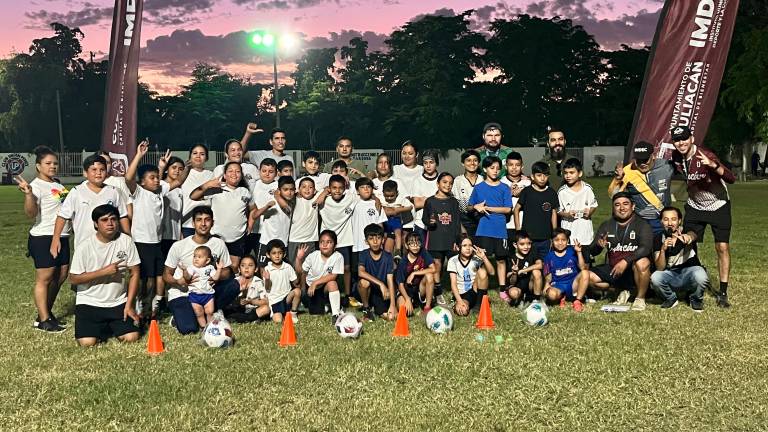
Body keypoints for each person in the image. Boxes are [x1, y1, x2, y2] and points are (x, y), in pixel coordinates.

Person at [670, 125, 736, 308]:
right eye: (677, 140)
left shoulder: (705, 155)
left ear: (691, 138)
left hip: (718, 204)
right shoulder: (676, 157)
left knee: (722, 247)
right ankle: (694, 278)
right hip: (695, 206)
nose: (680, 143)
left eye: (684, 138)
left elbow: (731, 178)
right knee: (687, 241)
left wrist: (713, 165)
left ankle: (722, 292)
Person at [125, 142, 186, 319]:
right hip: (141, 242)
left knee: (158, 275)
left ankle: (156, 303)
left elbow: (178, 181)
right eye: (152, 178)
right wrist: (139, 155)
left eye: (157, 177)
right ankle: (138, 303)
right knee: (143, 277)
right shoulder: (138, 193)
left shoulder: (160, 190)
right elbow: (129, 178)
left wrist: (175, 167)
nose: (156, 180)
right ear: (142, 182)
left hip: (157, 242)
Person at [68, 205, 141, 347]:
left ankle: (110, 325)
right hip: (89, 301)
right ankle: (101, 327)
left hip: (117, 301)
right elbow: (74, 278)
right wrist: (103, 272)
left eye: (114, 219)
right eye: (104, 220)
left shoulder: (126, 241)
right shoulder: (85, 246)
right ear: (96, 224)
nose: (110, 223)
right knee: (87, 343)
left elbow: (135, 273)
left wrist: (129, 304)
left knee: (132, 337)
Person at [15, 146, 70, 332]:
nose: (53, 166)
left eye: (55, 163)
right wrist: (29, 194)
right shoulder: (36, 186)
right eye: (48, 163)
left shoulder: (58, 185)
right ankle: (44, 320)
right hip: (44, 236)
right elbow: (30, 214)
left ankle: (44, 313)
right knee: (45, 278)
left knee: (62, 275)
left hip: (62, 235)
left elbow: (67, 209)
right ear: (38, 166)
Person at [162, 206, 239, 335]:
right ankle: (179, 317)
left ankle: (213, 310)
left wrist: (217, 276)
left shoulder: (219, 243)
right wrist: (179, 281)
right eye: (199, 220)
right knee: (189, 329)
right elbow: (166, 275)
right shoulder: (179, 246)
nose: (203, 224)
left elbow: (227, 271)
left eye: (207, 220)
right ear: (193, 223)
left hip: (208, 292)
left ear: (212, 223)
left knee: (235, 284)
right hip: (184, 294)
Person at [51, 154, 130, 255]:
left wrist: (128, 237)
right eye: (94, 169)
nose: (98, 173)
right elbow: (62, 216)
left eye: (102, 169)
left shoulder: (113, 192)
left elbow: (123, 216)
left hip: (109, 246)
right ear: (85, 173)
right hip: (84, 246)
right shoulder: (76, 192)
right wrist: (56, 238)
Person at [588, 192, 653, 311]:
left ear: (633, 206)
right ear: (613, 208)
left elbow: (646, 248)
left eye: (625, 204)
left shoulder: (642, 224)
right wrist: (598, 246)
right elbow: (593, 251)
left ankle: (640, 298)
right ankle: (620, 290)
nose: (622, 208)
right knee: (587, 277)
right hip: (614, 269)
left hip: (633, 269)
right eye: (617, 205)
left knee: (643, 262)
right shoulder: (607, 225)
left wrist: (625, 261)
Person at [189, 161, 256, 271]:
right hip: (217, 236)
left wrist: (250, 225)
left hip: (237, 237)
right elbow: (193, 196)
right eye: (230, 171)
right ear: (224, 175)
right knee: (215, 268)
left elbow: (253, 209)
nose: (234, 174)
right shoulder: (216, 189)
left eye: (238, 171)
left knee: (234, 267)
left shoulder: (245, 192)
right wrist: (207, 185)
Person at [609, 141, 674, 234]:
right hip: (639, 222)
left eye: (646, 160)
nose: (642, 164)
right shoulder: (627, 171)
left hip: (663, 219)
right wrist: (617, 180)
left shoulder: (667, 166)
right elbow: (613, 196)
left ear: (653, 156)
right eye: (639, 160)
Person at [651, 206, 708, 311]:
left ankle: (695, 299)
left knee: (701, 275)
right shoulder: (658, 238)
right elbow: (660, 268)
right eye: (666, 219)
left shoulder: (685, 231)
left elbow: (693, 235)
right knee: (655, 277)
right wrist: (663, 250)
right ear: (661, 222)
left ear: (679, 221)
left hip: (689, 272)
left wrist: (688, 237)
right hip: (671, 274)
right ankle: (670, 299)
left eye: (673, 219)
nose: (670, 223)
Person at [469, 156, 512, 288]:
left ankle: (503, 288)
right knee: (481, 259)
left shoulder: (505, 188)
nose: (495, 171)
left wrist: (487, 208)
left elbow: (507, 209)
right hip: (484, 229)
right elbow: (470, 207)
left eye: (498, 169)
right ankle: (478, 286)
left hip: (500, 229)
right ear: (485, 169)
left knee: (501, 260)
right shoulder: (479, 188)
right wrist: (476, 207)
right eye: (492, 168)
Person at [318, 174, 359, 307]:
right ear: (329, 188)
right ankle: (324, 296)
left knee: (346, 268)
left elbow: (366, 192)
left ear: (345, 188)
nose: (337, 190)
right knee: (326, 270)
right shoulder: (324, 199)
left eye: (340, 188)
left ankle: (348, 296)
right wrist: (324, 192)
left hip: (344, 239)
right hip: (327, 241)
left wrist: (375, 198)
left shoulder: (351, 198)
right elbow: (316, 201)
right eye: (333, 188)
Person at [422, 172, 462, 306]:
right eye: (444, 182)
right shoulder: (430, 201)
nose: (448, 185)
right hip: (435, 238)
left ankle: (455, 292)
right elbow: (425, 218)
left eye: (450, 183)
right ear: (438, 183)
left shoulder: (453, 202)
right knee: (437, 265)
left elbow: (457, 222)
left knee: (453, 266)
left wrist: (458, 240)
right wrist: (430, 223)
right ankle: (438, 292)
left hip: (450, 239)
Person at [295, 231, 345, 322]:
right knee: (316, 313)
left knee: (332, 283)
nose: (325, 245)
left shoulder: (338, 257)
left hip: (324, 286)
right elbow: (300, 271)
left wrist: (316, 282)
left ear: (335, 245)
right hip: (310, 288)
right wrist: (298, 259)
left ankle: (336, 314)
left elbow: (333, 276)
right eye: (322, 242)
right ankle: (327, 304)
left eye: (329, 242)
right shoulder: (313, 255)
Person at [514, 161, 558, 259]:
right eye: (539, 175)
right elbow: (516, 209)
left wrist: (554, 232)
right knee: (529, 264)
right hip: (528, 238)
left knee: (545, 264)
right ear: (532, 177)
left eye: (545, 175)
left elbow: (553, 213)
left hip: (546, 237)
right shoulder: (527, 191)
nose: (542, 178)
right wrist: (518, 230)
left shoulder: (551, 193)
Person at [177, 245, 225, 328]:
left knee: (210, 311)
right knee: (199, 313)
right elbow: (187, 277)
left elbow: (215, 278)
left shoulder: (210, 268)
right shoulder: (192, 268)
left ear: (207, 260)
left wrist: (219, 269)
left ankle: (210, 327)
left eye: (199, 257)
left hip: (208, 295)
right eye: (194, 256)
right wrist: (184, 270)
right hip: (195, 295)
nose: (196, 259)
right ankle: (203, 327)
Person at [542, 228, 589, 312]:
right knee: (551, 295)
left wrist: (579, 252)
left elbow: (582, 268)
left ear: (567, 241)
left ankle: (577, 301)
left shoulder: (572, 251)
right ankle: (561, 297)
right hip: (558, 285)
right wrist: (546, 292)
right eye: (556, 240)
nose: (560, 243)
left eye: (563, 240)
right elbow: (548, 278)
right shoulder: (549, 256)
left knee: (585, 273)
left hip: (572, 284)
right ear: (552, 241)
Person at [357, 224, 397, 321]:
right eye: (371, 239)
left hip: (381, 293)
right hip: (368, 289)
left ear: (383, 240)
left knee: (390, 317)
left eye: (378, 238)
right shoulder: (363, 254)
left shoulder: (387, 257)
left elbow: (390, 280)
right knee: (364, 282)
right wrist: (381, 284)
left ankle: (377, 308)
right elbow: (361, 272)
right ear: (366, 241)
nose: (375, 242)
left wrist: (393, 305)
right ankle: (366, 309)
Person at [254, 176, 296, 266]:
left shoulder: (292, 202)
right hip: (266, 241)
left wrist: (277, 196)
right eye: (285, 189)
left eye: (292, 189)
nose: (289, 192)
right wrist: (266, 207)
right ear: (279, 190)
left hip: (282, 243)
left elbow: (287, 209)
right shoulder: (270, 201)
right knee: (263, 270)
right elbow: (254, 215)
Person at [448, 237, 494, 317]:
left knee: (482, 271)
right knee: (463, 311)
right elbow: (453, 284)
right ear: (458, 247)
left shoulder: (476, 259)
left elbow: (492, 272)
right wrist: (459, 301)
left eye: (470, 245)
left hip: (474, 290)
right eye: (464, 245)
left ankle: (479, 305)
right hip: (461, 294)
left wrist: (484, 257)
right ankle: (482, 300)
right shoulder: (453, 260)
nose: (468, 248)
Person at [557, 158, 598, 246]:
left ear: (580, 173)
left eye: (571, 172)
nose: (568, 176)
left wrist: (589, 212)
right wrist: (567, 214)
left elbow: (594, 205)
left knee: (585, 259)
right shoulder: (562, 192)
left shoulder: (588, 189)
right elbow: (558, 210)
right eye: (566, 173)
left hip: (585, 235)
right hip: (568, 235)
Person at [280, 177, 321, 262]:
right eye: (304, 187)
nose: (307, 189)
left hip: (310, 240)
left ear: (314, 190)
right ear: (298, 189)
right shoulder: (294, 198)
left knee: (308, 269)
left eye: (310, 187)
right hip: (294, 240)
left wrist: (323, 193)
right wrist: (276, 194)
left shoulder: (316, 198)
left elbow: (327, 189)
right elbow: (279, 195)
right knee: (294, 267)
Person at [395, 231, 436, 316]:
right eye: (412, 244)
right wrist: (407, 299)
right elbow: (400, 285)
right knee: (405, 312)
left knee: (429, 276)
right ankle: (411, 302)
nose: (415, 246)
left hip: (420, 288)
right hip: (406, 290)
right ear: (406, 245)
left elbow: (433, 268)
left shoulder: (423, 253)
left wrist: (414, 273)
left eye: (418, 243)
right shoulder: (403, 262)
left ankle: (427, 307)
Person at [263, 239, 302, 323]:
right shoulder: (267, 269)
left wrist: (298, 260)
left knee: (297, 291)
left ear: (284, 254)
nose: (277, 256)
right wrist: (267, 279)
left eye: (280, 253)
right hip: (275, 301)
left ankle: (293, 313)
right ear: (268, 255)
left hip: (287, 298)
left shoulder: (288, 267)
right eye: (274, 253)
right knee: (278, 320)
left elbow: (296, 283)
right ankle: (282, 313)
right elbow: (267, 288)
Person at [180, 144, 214, 238]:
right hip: (187, 225)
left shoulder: (211, 175)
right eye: (195, 153)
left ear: (206, 158)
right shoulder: (183, 174)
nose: (198, 156)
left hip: (205, 224)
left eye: (202, 154)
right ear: (190, 156)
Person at [500, 151, 530, 253]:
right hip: (506, 225)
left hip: (525, 225)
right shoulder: (501, 182)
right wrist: (509, 193)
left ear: (522, 167)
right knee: (508, 256)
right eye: (510, 165)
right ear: (506, 166)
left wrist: (523, 194)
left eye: (517, 165)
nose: (514, 168)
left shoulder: (529, 183)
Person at [249, 158, 278, 259]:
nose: (267, 174)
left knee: (264, 260)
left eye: (271, 172)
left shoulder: (278, 186)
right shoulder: (254, 185)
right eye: (264, 171)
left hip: (269, 231)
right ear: (259, 171)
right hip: (254, 229)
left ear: (276, 173)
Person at [351, 177, 387, 259]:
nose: (366, 189)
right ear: (357, 191)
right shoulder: (353, 201)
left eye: (368, 187)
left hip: (373, 246)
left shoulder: (376, 204)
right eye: (362, 187)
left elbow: (380, 224)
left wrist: (381, 242)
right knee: (356, 270)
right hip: (357, 245)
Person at [504, 230, 543, 306]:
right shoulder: (511, 258)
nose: (526, 247)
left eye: (529, 244)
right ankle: (520, 297)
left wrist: (522, 270)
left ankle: (536, 301)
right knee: (513, 293)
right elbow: (512, 282)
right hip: (517, 285)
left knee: (536, 272)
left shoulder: (533, 251)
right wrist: (514, 273)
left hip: (530, 284)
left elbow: (540, 265)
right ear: (515, 245)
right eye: (522, 244)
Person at [227, 255, 270, 323]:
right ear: (239, 269)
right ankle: (250, 319)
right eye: (243, 265)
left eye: (250, 265)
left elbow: (265, 301)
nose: (246, 268)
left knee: (266, 309)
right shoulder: (235, 281)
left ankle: (245, 319)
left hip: (252, 309)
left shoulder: (258, 282)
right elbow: (229, 300)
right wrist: (239, 300)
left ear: (256, 269)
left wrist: (251, 301)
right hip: (238, 309)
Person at [94, 150, 134, 221]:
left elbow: (128, 203)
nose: (105, 165)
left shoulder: (119, 182)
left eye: (108, 162)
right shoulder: (89, 183)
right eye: (102, 162)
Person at [452, 149, 483, 239]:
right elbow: (455, 206)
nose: (472, 163)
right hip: (465, 220)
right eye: (468, 160)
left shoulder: (483, 179)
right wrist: (460, 226)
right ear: (463, 163)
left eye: (475, 160)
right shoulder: (457, 181)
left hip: (482, 219)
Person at [160, 155, 187, 258]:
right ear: (167, 169)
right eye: (174, 168)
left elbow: (179, 215)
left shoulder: (180, 190)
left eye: (181, 169)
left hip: (175, 236)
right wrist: (161, 168)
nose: (177, 171)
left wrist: (180, 234)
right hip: (162, 236)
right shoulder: (161, 185)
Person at [410, 152, 440, 243]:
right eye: (425, 163)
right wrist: (436, 199)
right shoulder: (417, 181)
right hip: (420, 225)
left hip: (439, 224)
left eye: (431, 162)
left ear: (437, 164)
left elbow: (445, 202)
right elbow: (417, 204)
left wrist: (425, 199)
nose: (428, 165)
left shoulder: (442, 180)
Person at [381, 179, 412, 259]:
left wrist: (397, 210)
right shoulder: (381, 199)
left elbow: (410, 206)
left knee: (398, 233)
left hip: (395, 219)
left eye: (392, 196)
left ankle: (397, 250)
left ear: (397, 193)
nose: (389, 198)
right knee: (383, 235)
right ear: (383, 193)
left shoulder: (401, 199)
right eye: (387, 196)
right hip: (384, 220)